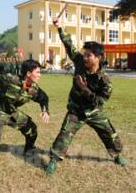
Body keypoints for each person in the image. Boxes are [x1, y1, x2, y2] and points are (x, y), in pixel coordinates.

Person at [45, 17, 128, 175]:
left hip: (94, 111)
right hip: (76, 110)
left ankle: (117, 155)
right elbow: (69, 45)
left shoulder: (105, 81)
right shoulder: (79, 63)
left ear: (98, 58)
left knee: (109, 134)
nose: (85, 57)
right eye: (84, 54)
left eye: (89, 55)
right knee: (65, 134)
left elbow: (99, 101)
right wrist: (60, 27)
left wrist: (84, 88)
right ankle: (54, 160)